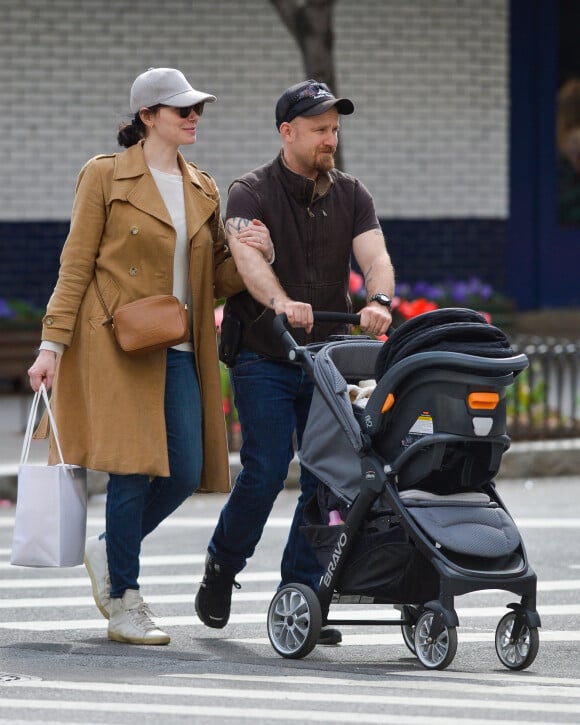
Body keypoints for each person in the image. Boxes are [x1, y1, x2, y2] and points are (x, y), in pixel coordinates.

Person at [27, 67, 272, 646]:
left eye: (197, 109)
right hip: (117, 342)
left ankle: (109, 549)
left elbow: (212, 277)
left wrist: (253, 255)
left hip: (181, 344)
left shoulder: (203, 187)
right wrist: (50, 345)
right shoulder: (105, 176)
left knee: (184, 468)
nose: (193, 117)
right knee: (131, 467)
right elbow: (76, 264)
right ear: (146, 116)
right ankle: (124, 601)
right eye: (180, 108)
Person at [195, 79, 395, 644]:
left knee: (324, 478)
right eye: (319, 129)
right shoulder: (250, 192)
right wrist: (281, 301)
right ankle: (222, 566)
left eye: (335, 128)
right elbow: (247, 261)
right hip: (265, 352)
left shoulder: (352, 193)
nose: (330, 138)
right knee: (264, 469)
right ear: (288, 132)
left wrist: (379, 299)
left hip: (328, 359)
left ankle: (301, 598)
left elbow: (375, 255)